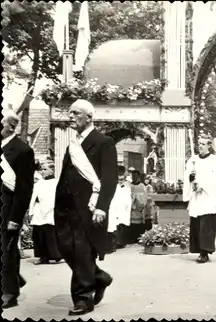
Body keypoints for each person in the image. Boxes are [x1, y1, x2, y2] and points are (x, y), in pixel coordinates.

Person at [54, 99, 118, 315]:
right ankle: (99, 278)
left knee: (82, 252)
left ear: (89, 117)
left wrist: (102, 207)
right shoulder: (72, 143)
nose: (70, 116)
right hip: (65, 207)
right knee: (65, 248)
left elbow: (109, 178)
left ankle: (83, 299)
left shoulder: (104, 142)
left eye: (76, 113)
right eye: (70, 113)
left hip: (88, 207)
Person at [1, 110, 36, 309]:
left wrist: (16, 217)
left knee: (6, 250)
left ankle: (9, 292)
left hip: (8, 209)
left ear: (11, 127)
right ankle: (14, 281)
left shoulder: (22, 150)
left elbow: (24, 188)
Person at [183, 134, 216, 263]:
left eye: (203, 144)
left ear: (209, 146)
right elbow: (187, 177)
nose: (200, 146)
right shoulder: (193, 160)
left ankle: (205, 251)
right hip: (197, 198)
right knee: (197, 225)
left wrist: (203, 185)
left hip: (208, 198)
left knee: (206, 226)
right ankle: (198, 250)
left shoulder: (215, 161)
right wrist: (191, 178)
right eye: (199, 143)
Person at [29, 167, 62, 264]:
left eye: (45, 169)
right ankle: (43, 257)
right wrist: (31, 212)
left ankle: (56, 255)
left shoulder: (57, 183)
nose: (42, 171)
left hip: (52, 212)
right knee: (39, 234)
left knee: (51, 234)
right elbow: (33, 198)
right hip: (39, 212)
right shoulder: (39, 184)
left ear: (51, 171)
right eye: (42, 169)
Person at [109, 165, 132, 250]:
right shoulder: (113, 186)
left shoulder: (127, 185)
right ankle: (115, 243)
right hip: (115, 206)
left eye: (122, 179)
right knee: (114, 224)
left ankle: (121, 242)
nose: (121, 181)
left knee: (122, 224)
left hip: (123, 207)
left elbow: (128, 196)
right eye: (119, 180)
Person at [126, 167, 150, 243]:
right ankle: (131, 238)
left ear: (138, 176)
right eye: (133, 176)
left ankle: (139, 238)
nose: (134, 177)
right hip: (131, 209)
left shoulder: (142, 186)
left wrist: (139, 202)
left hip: (139, 208)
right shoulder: (129, 186)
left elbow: (145, 197)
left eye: (135, 176)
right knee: (132, 224)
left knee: (139, 224)